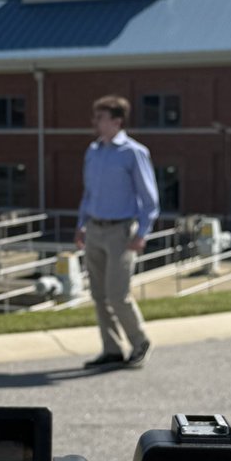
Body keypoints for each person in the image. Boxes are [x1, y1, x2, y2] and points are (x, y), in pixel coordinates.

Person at [74, 95, 160, 369]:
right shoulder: (93, 151)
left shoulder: (134, 152)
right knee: (99, 295)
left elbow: (150, 199)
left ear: (116, 121)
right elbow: (89, 194)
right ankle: (111, 349)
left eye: (99, 117)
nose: (94, 122)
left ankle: (139, 341)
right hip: (94, 230)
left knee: (117, 294)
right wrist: (80, 225)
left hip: (121, 232)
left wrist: (142, 232)